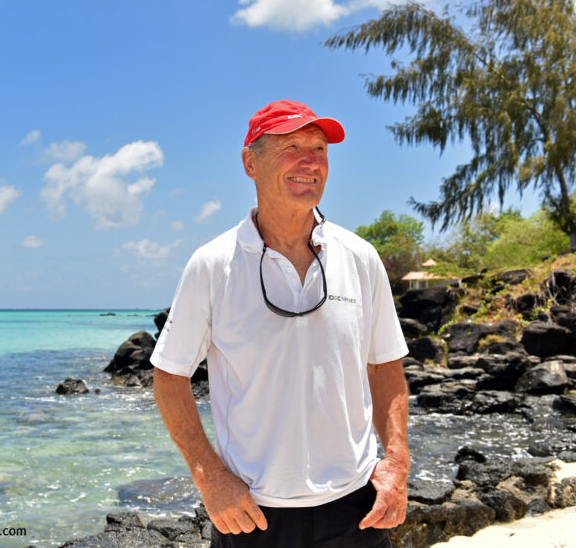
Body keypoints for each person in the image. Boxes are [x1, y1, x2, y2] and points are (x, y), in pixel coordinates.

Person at [151, 99, 410, 548]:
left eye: (320, 149)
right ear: (251, 162)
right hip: (251, 513)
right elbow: (169, 376)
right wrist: (209, 477)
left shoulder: (360, 257)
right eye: (292, 146)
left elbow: (385, 366)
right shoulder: (212, 264)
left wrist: (397, 464)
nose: (310, 161)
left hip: (356, 509)